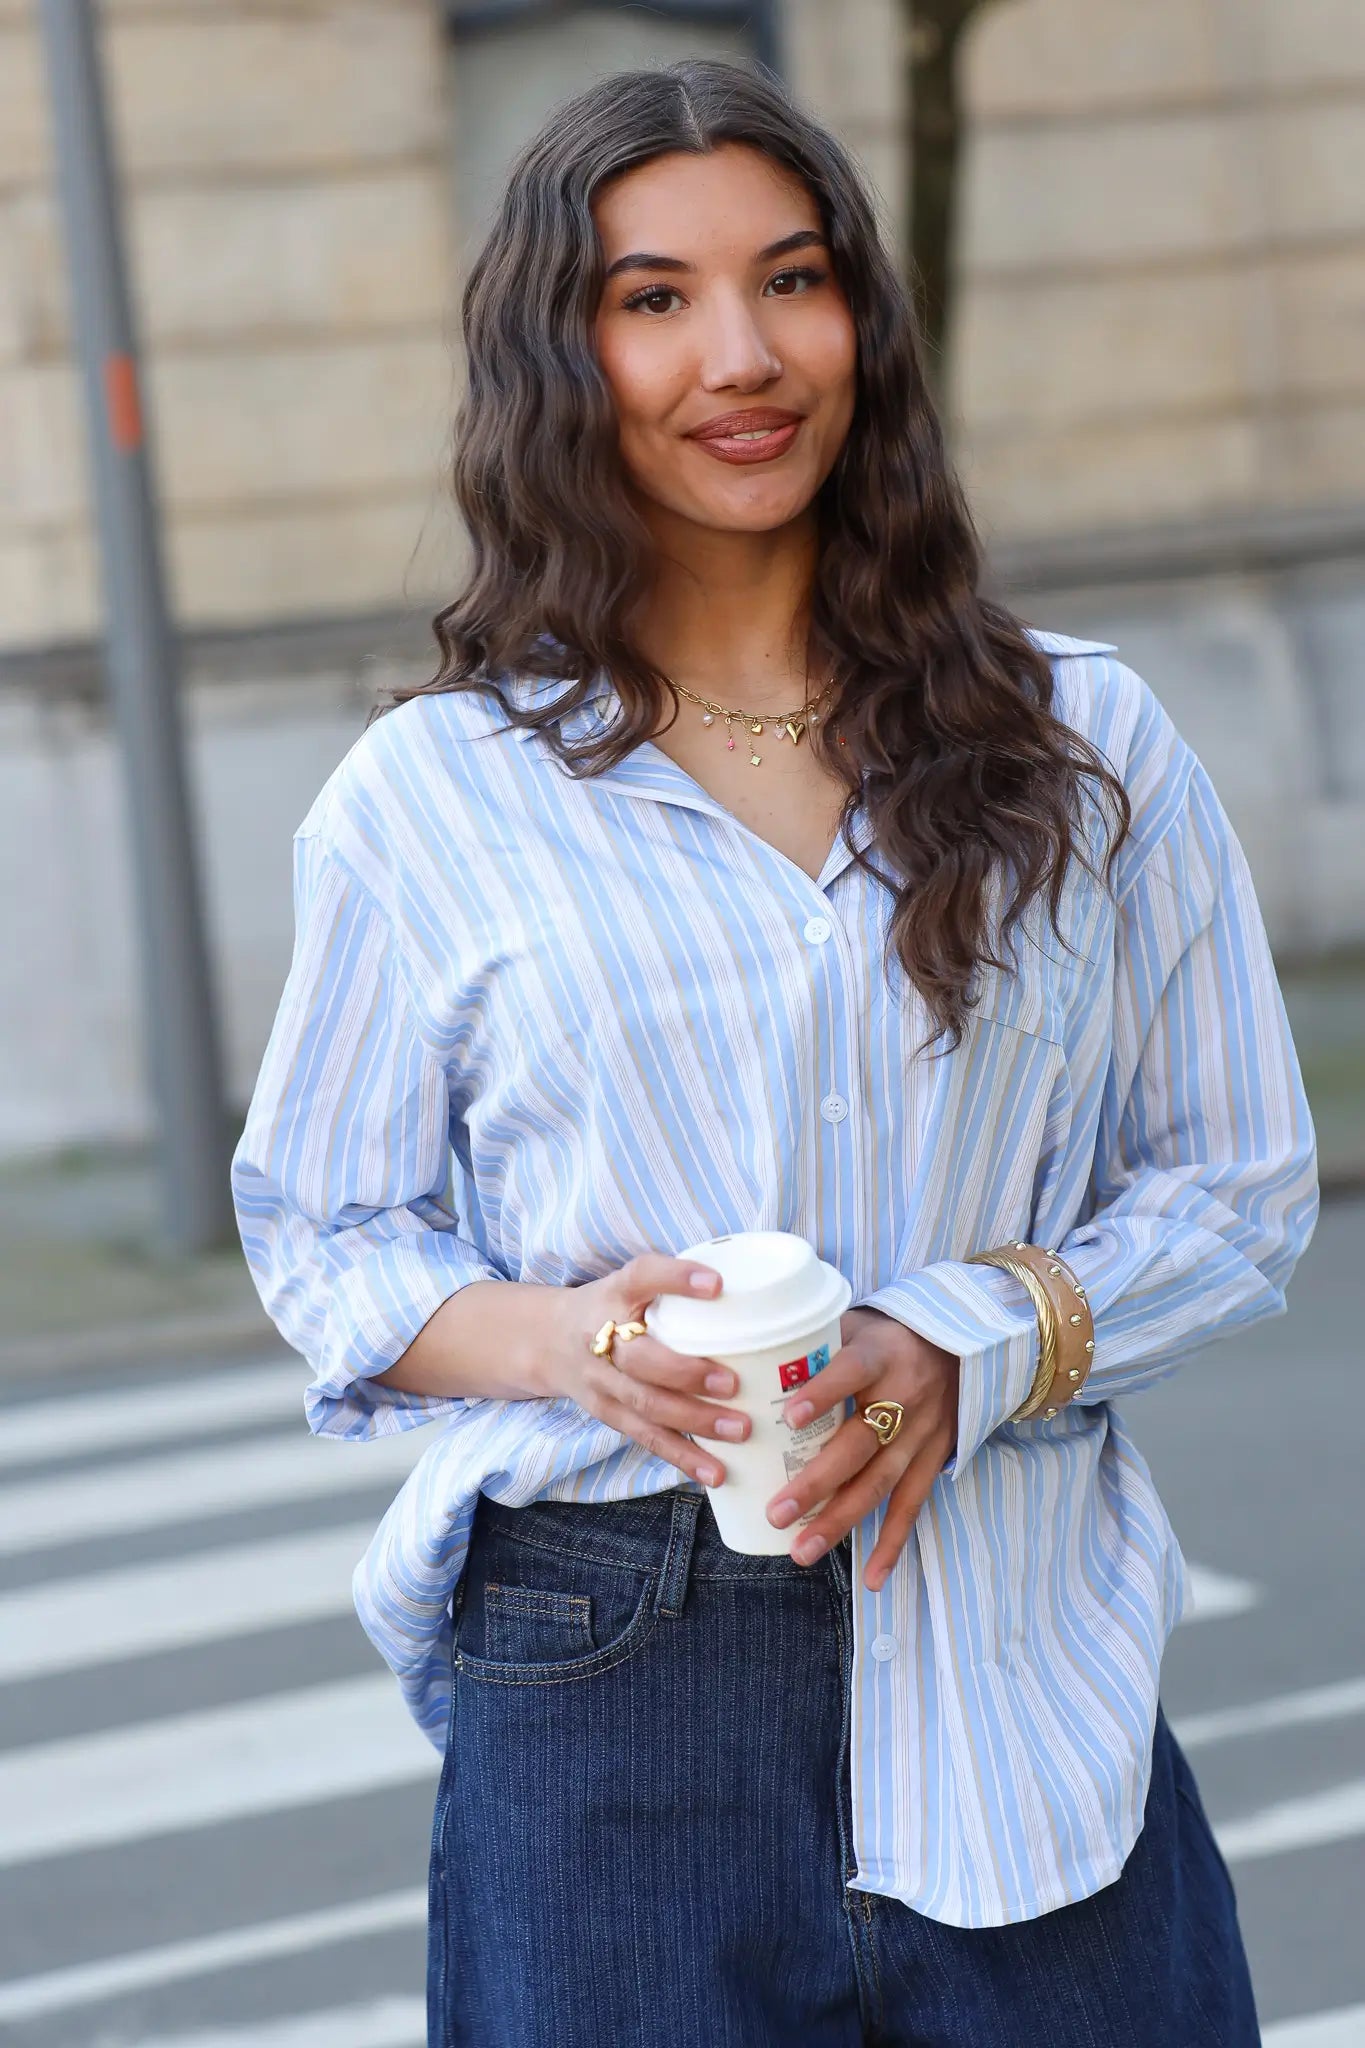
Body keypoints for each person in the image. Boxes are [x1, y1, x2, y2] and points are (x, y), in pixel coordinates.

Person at [231, 57, 1318, 2048]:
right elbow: (323, 1230)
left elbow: (1234, 1184)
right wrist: (579, 1346)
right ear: (561, 355)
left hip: (1013, 1675)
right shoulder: (430, 799)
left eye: (789, 279)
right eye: (652, 297)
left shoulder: (1083, 742)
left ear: (860, 322)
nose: (738, 354)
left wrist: (968, 1335)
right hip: (605, 1674)